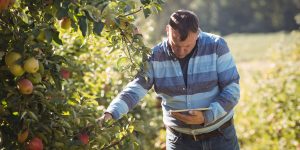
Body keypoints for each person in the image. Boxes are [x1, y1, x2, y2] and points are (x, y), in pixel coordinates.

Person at [97, 9, 240, 150]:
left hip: (220, 138)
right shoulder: (155, 56)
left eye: (187, 46)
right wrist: (111, 113)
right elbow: (135, 89)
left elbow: (232, 90)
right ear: (167, 31)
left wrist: (207, 116)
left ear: (197, 34)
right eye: (175, 45)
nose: (180, 51)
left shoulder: (216, 46)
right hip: (180, 141)